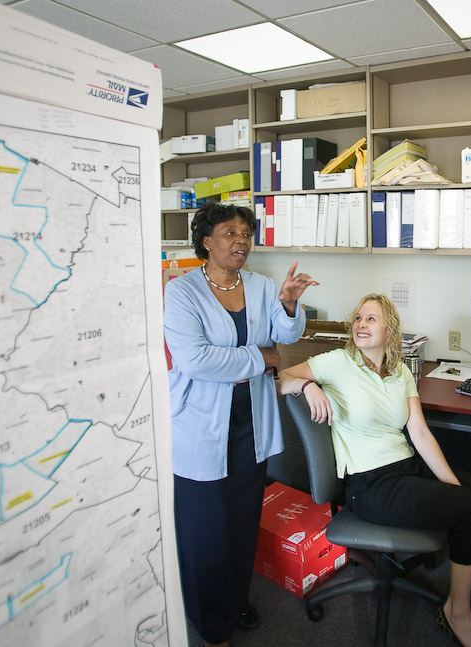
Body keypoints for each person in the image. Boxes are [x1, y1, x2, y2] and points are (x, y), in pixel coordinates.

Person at [278, 294, 471, 647]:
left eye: (371, 319)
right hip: (369, 484)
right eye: (358, 318)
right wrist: (308, 386)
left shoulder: (400, 371)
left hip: (407, 467)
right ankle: (456, 613)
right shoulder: (338, 362)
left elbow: (419, 432)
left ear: (390, 330)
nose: (361, 324)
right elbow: (281, 379)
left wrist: (453, 486)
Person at [164, 202, 318, 647]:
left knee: (240, 524)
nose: (240, 241)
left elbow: (285, 337)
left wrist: (288, 305)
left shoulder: (262, 285)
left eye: (246, 233)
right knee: (205, 533)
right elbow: (195, 360)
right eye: (229, 233)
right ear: (206, 242)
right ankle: (210, 624)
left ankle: (231, 601)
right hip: (200, 427)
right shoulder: (183, 292)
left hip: (249, 424)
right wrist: (261, 358)